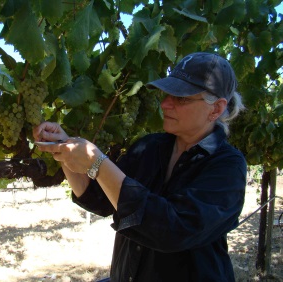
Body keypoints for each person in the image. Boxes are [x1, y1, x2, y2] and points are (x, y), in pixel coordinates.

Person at [33, 52, 247, 282]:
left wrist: (98, 163)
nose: (165, 103)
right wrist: (64, 149)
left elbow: (172, 230)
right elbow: (98, 198)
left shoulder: (227, 167)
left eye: (181, 98)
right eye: (167, 94)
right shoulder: (149, 147)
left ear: (215, 109)